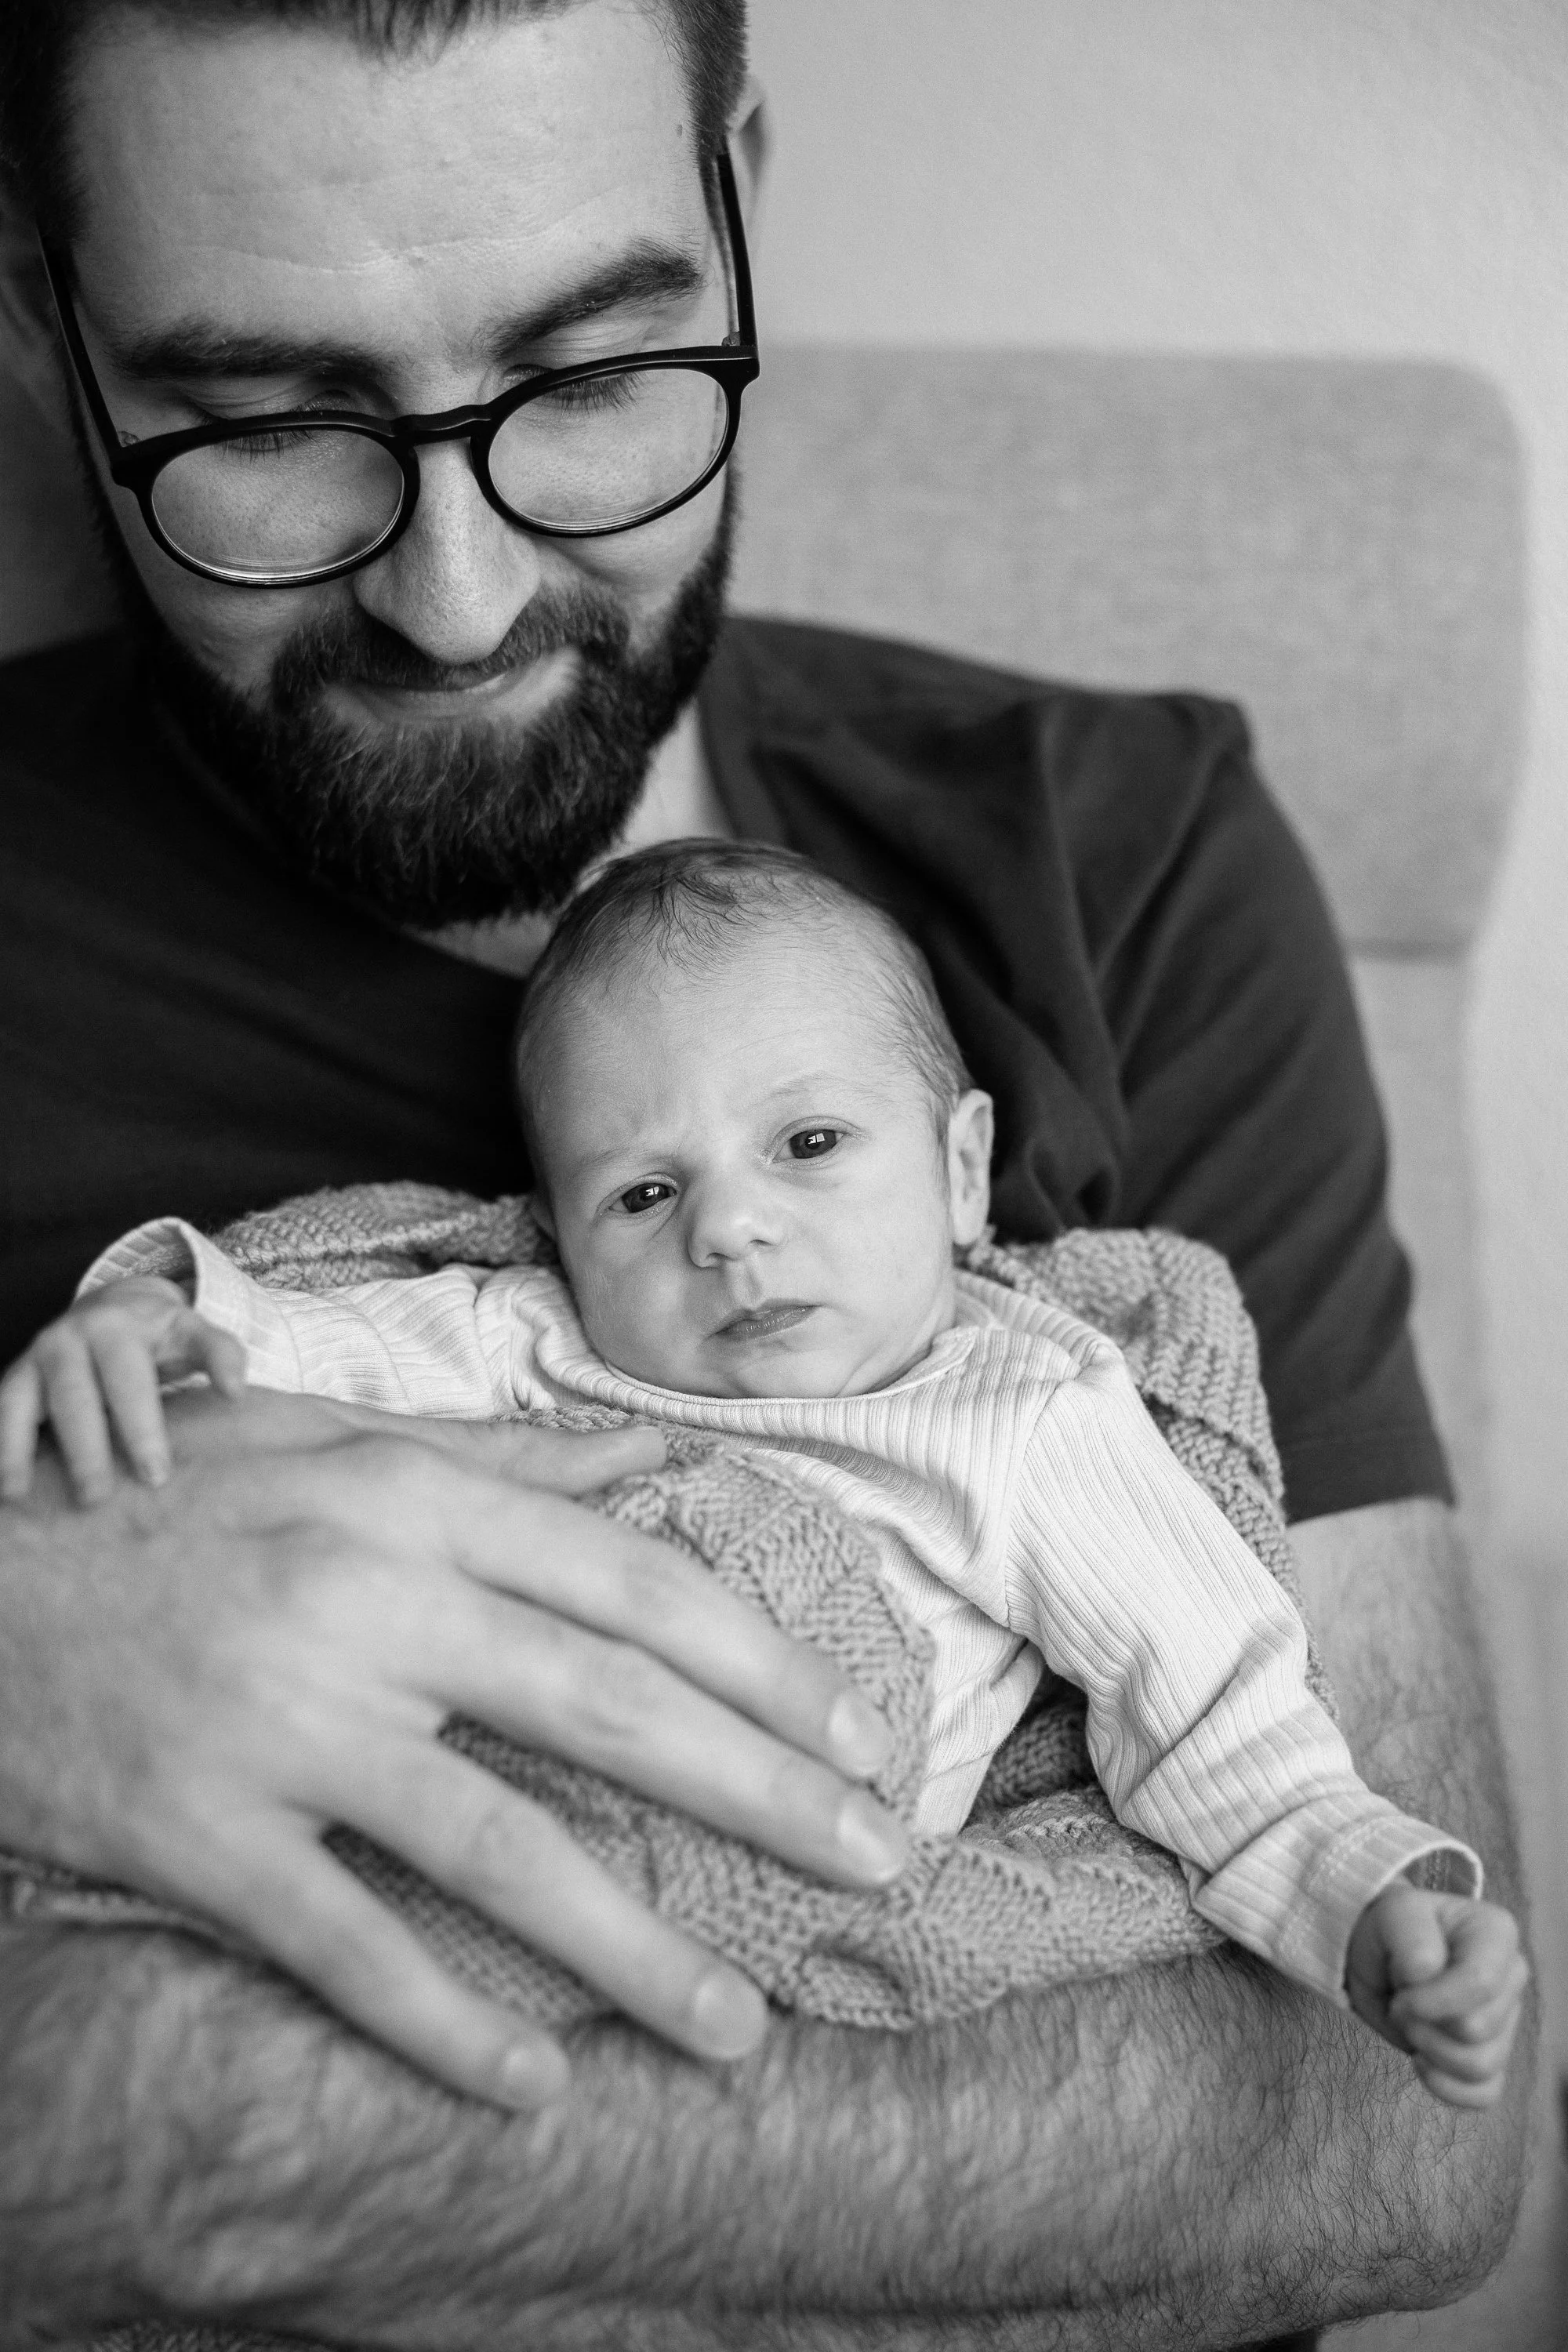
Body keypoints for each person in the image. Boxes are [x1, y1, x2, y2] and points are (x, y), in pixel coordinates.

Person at [0, 0, 1530, 2344]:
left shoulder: (1121, 860)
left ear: (739, 198)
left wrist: (198, 2137)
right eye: (269, 425)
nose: (463, 595)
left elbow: (1385, 2146)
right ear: (46, 324)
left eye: (597, 374)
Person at [4, 837, 1531, 2116]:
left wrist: (1370, 1901)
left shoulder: (1025, 1417)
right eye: (644, 1191)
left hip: (772, 1909)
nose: (726, 1230)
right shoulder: (540, 1338)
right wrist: (154, 1319)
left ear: (954, 1167)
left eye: (806, 1142)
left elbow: (1215, 1706)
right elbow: (313, 1344)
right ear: (552, 1226)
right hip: (464, 1816)